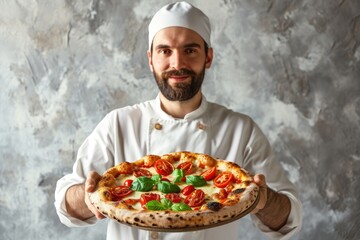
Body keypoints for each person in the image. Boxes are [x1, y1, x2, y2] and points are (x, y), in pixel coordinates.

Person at [55, 2, 302, 239]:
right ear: (151, 59)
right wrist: (88, 196)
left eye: (190, 50)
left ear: (208, 57)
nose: (177, 63)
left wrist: (263, 199)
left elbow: (288, 221)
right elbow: (66, 206)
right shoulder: (118, 123)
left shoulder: (240, 130)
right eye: (165, 51)